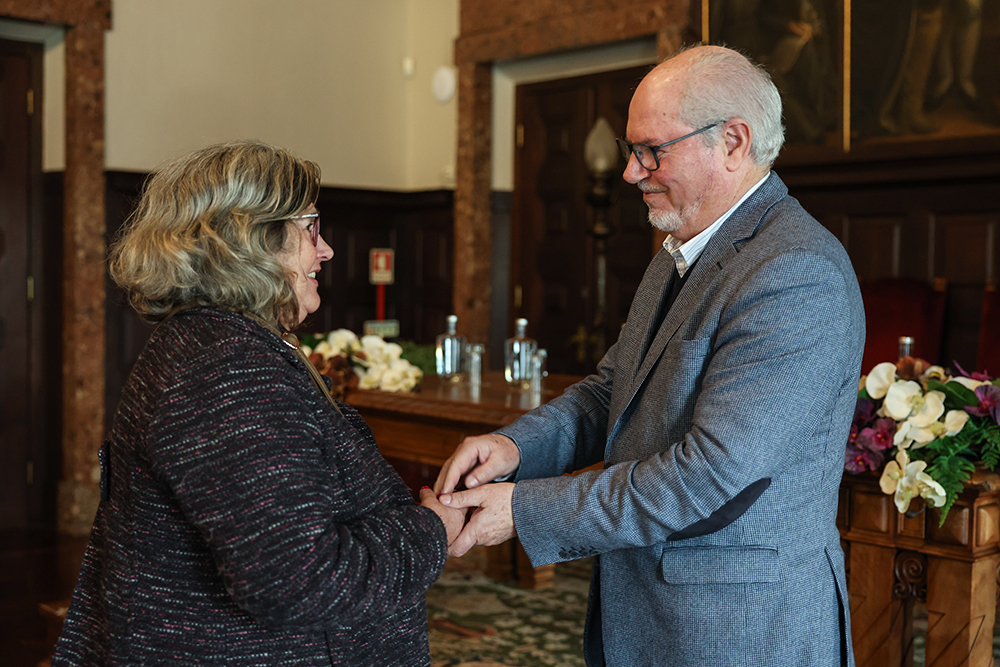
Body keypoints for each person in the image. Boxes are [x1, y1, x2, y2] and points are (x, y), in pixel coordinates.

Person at [435, 45, 864, 666]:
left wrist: (524, 510)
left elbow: (708, 475)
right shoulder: (679, 249)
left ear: (733, 142)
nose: (631, 172)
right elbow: (613, 391)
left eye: (651, 151)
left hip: (739, 630)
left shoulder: (794, 271)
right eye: (631, 150)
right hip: (655, 614)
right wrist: (516, 449)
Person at [52, 140, 464, 666]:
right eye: (310, 228)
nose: (326, 250)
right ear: (250, 242)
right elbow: (300, 582)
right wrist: (430, 531)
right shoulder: (227, 366)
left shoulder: (214, 344)